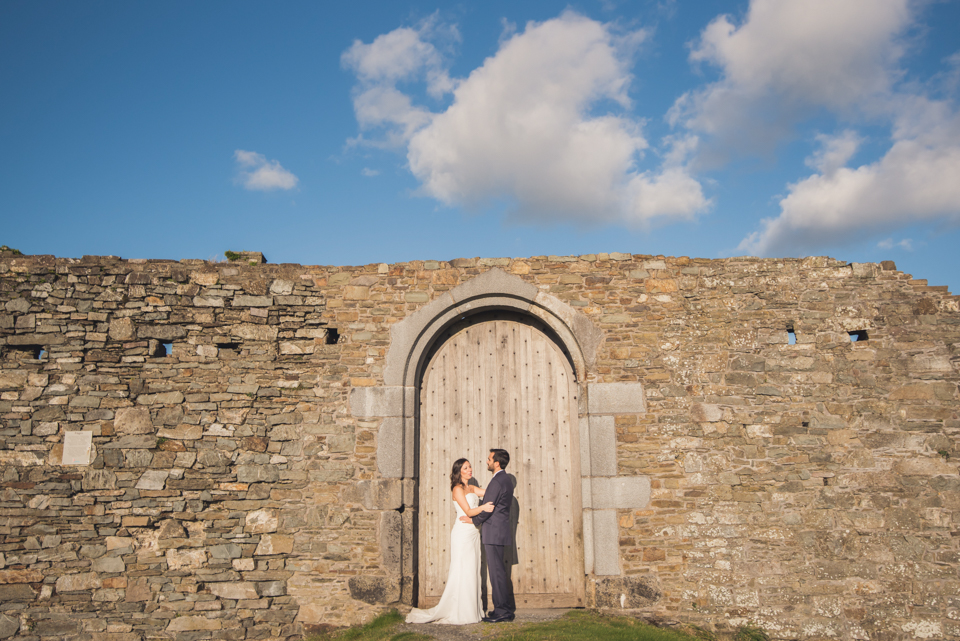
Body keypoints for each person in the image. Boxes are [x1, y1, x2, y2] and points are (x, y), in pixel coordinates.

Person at [405, 458, 494, 625]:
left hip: (474, 533)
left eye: (470, 467)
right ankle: (461, 611)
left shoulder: (472, 488)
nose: (470, 470)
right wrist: (483, 508)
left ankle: (473, 610)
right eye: (466, 468)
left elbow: (490, 492)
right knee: (463, 569)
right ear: (459, 471)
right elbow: (467, 511)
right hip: (462, 534)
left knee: (473, 569)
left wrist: (498, 480)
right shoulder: (457, 489)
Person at [460, 449, 515, 623]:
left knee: (497, 572)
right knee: (498, 571)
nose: (487, 461)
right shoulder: (504, 480)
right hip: (498, 532)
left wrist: (474, 520)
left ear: (496, 463)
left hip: (494, 532)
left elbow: (488, 506)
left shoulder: (498, 481)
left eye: (489, 459)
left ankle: (502, 611)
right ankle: (501, 607)